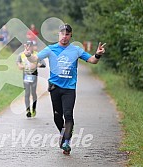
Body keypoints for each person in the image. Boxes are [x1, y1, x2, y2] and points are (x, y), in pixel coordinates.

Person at [24, 24, 106, 155]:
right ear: (58, 34)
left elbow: (92, 60)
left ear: (71, 35)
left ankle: (66, 142)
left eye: (67, 34)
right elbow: (35, 58)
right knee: (57, 116)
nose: (64, 36)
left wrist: (97, 54)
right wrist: (28, 55)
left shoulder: (76, 50)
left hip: (69, 88)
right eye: (62, 34)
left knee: (68, 115)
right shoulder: (50, 49)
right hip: (55, 88)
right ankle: (63, 132)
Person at [17, 41, 46, 118]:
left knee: (33, 93)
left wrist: (37, 65)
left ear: (33, 46)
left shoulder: (37, 55)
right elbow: (18, 63)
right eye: (27, 46)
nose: (29, 47)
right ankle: (28, 110)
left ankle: (33, 108)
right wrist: (21, 66)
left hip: (34, 75)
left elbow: (43, 64)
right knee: (27, 93)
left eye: (30, 46)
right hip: (26, 75)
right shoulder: (21, 54)